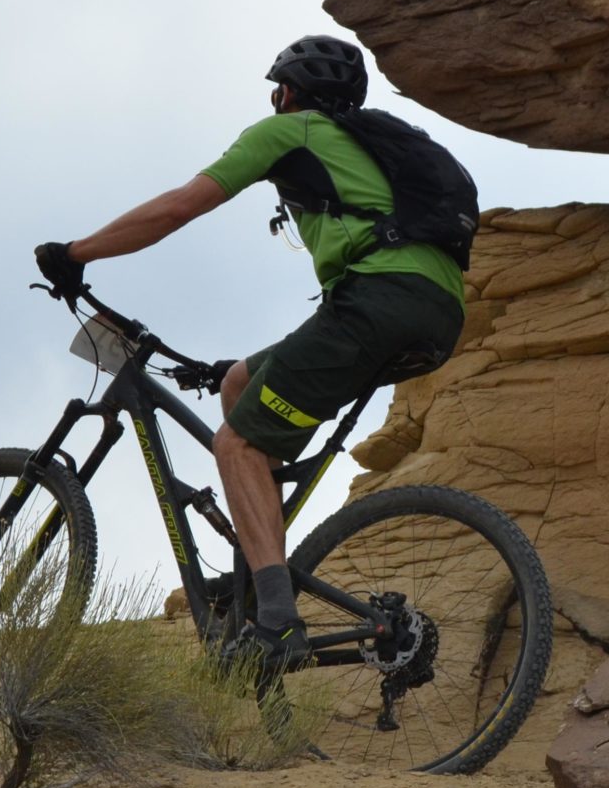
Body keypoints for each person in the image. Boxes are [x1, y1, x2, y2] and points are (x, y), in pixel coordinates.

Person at [34, 34, 467, 669]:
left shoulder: (290, 131)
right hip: (435, 311)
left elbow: (182, 206)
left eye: (278, 90)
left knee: (234, 444)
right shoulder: (369, 149)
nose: (274, 100)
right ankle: (255, 575)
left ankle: (276, 619)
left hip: (373, 302)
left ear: (290, 93)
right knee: (239, 384)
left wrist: (76, 255)